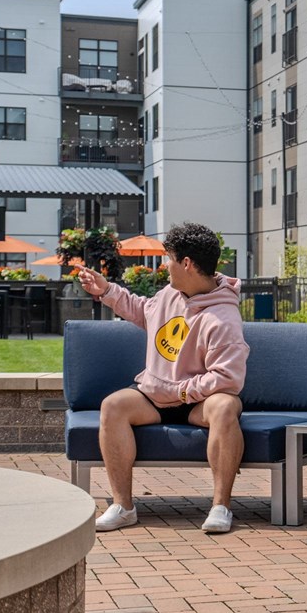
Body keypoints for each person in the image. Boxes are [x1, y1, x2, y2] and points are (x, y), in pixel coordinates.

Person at [79, 222, 249, 535]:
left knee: (226, 407)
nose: (162, 265)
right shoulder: (171, 292)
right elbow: (143, 311)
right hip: (157, 395)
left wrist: (180, 391)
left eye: (167, 257)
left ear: (187, 263)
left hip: (200, 401)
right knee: (113, 405)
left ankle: (220, 506)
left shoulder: (223, 318)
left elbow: (228, 378)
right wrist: (106, 290)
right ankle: (123, 507)